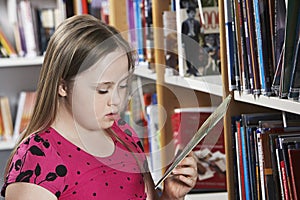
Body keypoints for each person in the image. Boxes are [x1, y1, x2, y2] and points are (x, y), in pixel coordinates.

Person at [1, 15, 197, 199]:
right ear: (62, 86)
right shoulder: (36, 159)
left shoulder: (123, 134)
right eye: (103, 90)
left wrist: (170, 196)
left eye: (122, 86)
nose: (117, 100)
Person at [181, 6, 202, 76]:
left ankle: (195, 70)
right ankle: (189, 70)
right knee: (188, 56)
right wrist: (182, 42)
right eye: (191, 13)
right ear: (188, 14)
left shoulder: (197, 23)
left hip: (195, 40)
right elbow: (183, 34)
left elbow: (199, 32)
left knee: (195, 55)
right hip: (188, 41)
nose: (192, 14)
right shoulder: (184, 23)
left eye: (193, 13)